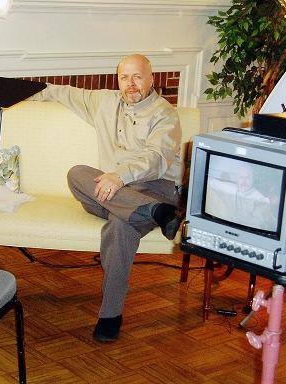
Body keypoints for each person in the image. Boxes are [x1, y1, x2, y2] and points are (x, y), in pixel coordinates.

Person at [30, 54, 184, 341]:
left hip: (155, 186)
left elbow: (157, 157)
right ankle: (155, 213)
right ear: (118, 80)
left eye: (138, 76)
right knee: (77, 174)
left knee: (120, 224)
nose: (131, 84)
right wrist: (1, 93)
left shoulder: (165, 114)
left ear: (152, 79)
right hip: (115, 191)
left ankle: (110, 315)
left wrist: (120, 176)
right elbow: (58, 92)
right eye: (125, 77)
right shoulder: (104, 101)